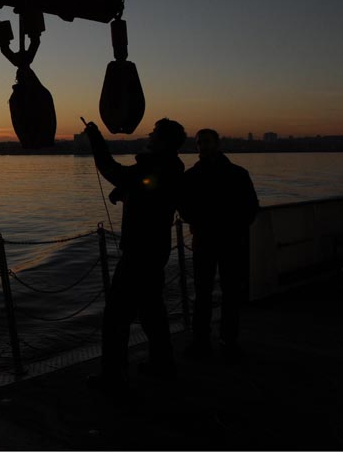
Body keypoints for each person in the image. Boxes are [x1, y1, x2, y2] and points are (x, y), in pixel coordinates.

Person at [84, 117, 187, 395]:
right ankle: (162, 364)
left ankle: (113, 378)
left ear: (162, 141)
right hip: (156, 250)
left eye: (154, 133)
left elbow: (112, 170)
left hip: (140, 251)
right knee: (152, 311)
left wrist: (95, 140)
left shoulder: (158, 166)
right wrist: (127, 190)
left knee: (116, 317)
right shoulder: (173, 167)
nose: (149, 135)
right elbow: (145, 186)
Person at [179, 128, 258, 360]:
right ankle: (207, 341)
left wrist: (231, 226)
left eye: (206, 142)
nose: (202, 146)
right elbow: (184, 207)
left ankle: (222, 340)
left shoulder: (236, 174)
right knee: (206, 293)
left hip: (225, 240)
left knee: (227, 293)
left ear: (217, 143)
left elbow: (250, 207)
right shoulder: (194, 176)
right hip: (210, 240)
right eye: (199, 142)